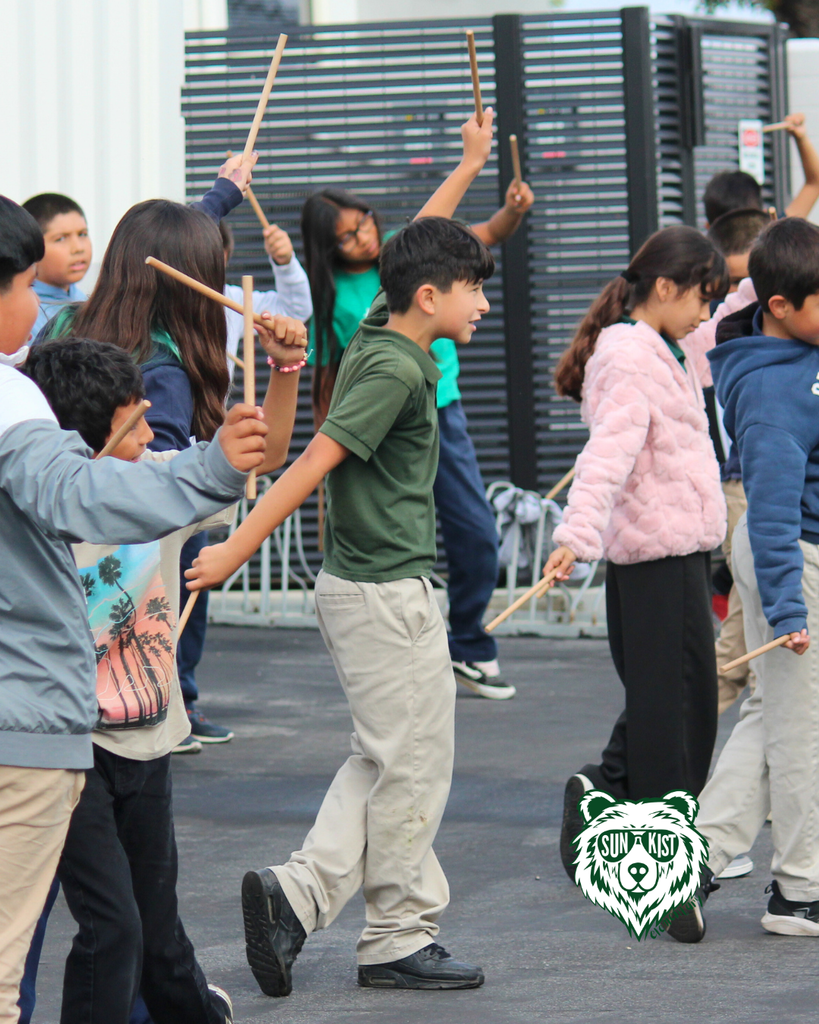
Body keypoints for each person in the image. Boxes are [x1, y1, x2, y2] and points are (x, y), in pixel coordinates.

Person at [185, 111, 496, 995]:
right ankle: (396, 934)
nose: (480, 303)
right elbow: (311, 462)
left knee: (385, 758)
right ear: (432, 299)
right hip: (383, 595)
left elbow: (415, 252)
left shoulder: (379, 337)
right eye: (474, 290)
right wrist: (234, 550)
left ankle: (297, 895)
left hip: (375, 591)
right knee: (413, 765)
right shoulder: (397, 369)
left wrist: (466, 167)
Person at [0, 195, 267, 1023]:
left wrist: (280, 381)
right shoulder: (19, 402)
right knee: (51, 950)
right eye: (26, 276)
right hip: (42, 729)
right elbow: (77, 493)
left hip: (127, 728)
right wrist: (209, 469)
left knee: (113, 928)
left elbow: (257, 461)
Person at [22, 334, 300, 1022]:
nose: (152, 432)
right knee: (114, 928)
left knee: (156, 936)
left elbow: (257, 455)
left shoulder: (162, 482)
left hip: (151, 741)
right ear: (90, 433)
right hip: (71, 751)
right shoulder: (35, 514)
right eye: (136, 419)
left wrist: (285, 374)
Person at [40, 154, 309, 751]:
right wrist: (284, 372)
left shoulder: (61, 329)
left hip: (49, 642)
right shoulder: (162, 374)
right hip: (120, 640)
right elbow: (177, 486)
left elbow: (160, 247)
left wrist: (220, 196)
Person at [543, 226, 729, 883]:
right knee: (674, 715)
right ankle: (665, 863)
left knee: (675, 707)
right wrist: (574, 536)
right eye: (699, 298)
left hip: (669, 554)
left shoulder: (663, 345)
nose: (705, 311)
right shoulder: (629, 355)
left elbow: (728, 322)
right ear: (664, 287)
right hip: (655, 558)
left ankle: (603, 793)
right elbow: (606, 457)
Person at [301, 175, 534, 700]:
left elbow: (450, 228)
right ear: (426, 296)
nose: (363, 236)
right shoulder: (361, 311)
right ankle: (442, 646)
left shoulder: (400, 267)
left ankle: (463, 641)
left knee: (473, 533)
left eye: (364, 222)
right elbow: (327, 402)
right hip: (386, 414)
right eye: (347, 235)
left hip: (440, 408)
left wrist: (477, 169)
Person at [669, 218, 819, 943]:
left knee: (773, 719)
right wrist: (789, 606)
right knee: (803, 734)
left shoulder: (799, 350)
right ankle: (798, 892)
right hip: (793, 554)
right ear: (781, 306)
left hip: (796, 552)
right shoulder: (772, 392)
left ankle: (692, 857)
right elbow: (769, 512)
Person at [170, 219, 315, 749]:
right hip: (160, 506)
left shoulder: (230, 309)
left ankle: (178, 700)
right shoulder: (151, 359)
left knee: (190, 588)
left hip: (200, 480)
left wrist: (286, 363)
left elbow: (268, 454)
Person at [703, 112, 819, 224]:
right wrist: (801, 138)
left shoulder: (702, 244)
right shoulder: (776, 236)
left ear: (708, 226)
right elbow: (814, 183)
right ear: (763, 212)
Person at [22, 192, 92, 337]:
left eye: (82, 234)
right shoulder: (27, 313)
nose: (78, 248)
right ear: (32, 246)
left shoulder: (83, 300)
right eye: (61, 239)